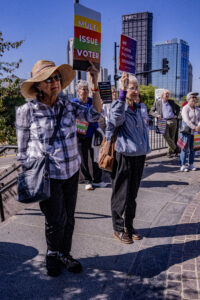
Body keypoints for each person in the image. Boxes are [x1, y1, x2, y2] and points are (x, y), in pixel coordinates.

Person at [16, 60, 102, 277]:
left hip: (72, 171)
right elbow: (22, 148)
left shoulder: (68, 106)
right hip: (48, 175)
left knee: (69, 217)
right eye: (48, 79)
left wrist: (94, 84)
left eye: (56, 77)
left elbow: (94, 115)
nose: (54, 82)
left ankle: (65, 253)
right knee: (56, 220)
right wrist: (30, 173)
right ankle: (52, 253)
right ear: (38, 86)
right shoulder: (27, 111)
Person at [106, 73, 150, 244]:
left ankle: (129, 226)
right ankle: (118, 228)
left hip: (138, 156)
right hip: (123, 156)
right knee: (120, 195)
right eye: (132, 88)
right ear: (123, 90)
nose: (136, 91)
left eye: (136, 87)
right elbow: (115, 119)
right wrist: (122, 93)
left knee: (132, 195)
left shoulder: (138, 108)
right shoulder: (120, 106)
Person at [72, 80, 107, 191]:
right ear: (78, 91)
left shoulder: (93, 101)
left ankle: (97, 180)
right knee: (83, 158)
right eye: (84, 89)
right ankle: (87, 181)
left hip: (93, 134)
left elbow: (101, 113)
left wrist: (100, 106)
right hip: (80, 134)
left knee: (96, 158)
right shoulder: (74, 103)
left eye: (87, 89)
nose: (86, 91)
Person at [149, 89, 180, 158]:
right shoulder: (157, 103)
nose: (167, 95)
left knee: (172, 137)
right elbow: (151, 112)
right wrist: (157, 115)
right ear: (162, 95)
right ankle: (175, 148)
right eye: (166, 94)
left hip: (173, 121)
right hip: (162, 121)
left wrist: (176, 115)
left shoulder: (171, 102)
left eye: (168, 94)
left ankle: (169, 152)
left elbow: (178, 108)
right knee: (166, 137)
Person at [179, 92, 200, 172]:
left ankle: (191, 164)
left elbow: (199, 119)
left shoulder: (197, 109)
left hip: (195, 131)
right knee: (184, 148)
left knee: (193, 149)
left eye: (195, 98)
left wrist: (198, 126)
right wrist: (194, 127)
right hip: (186, 131)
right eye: (192, 98)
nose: (194, 99)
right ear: (188, 99)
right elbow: (186, 120)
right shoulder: (185, 108)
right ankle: (183, 165)